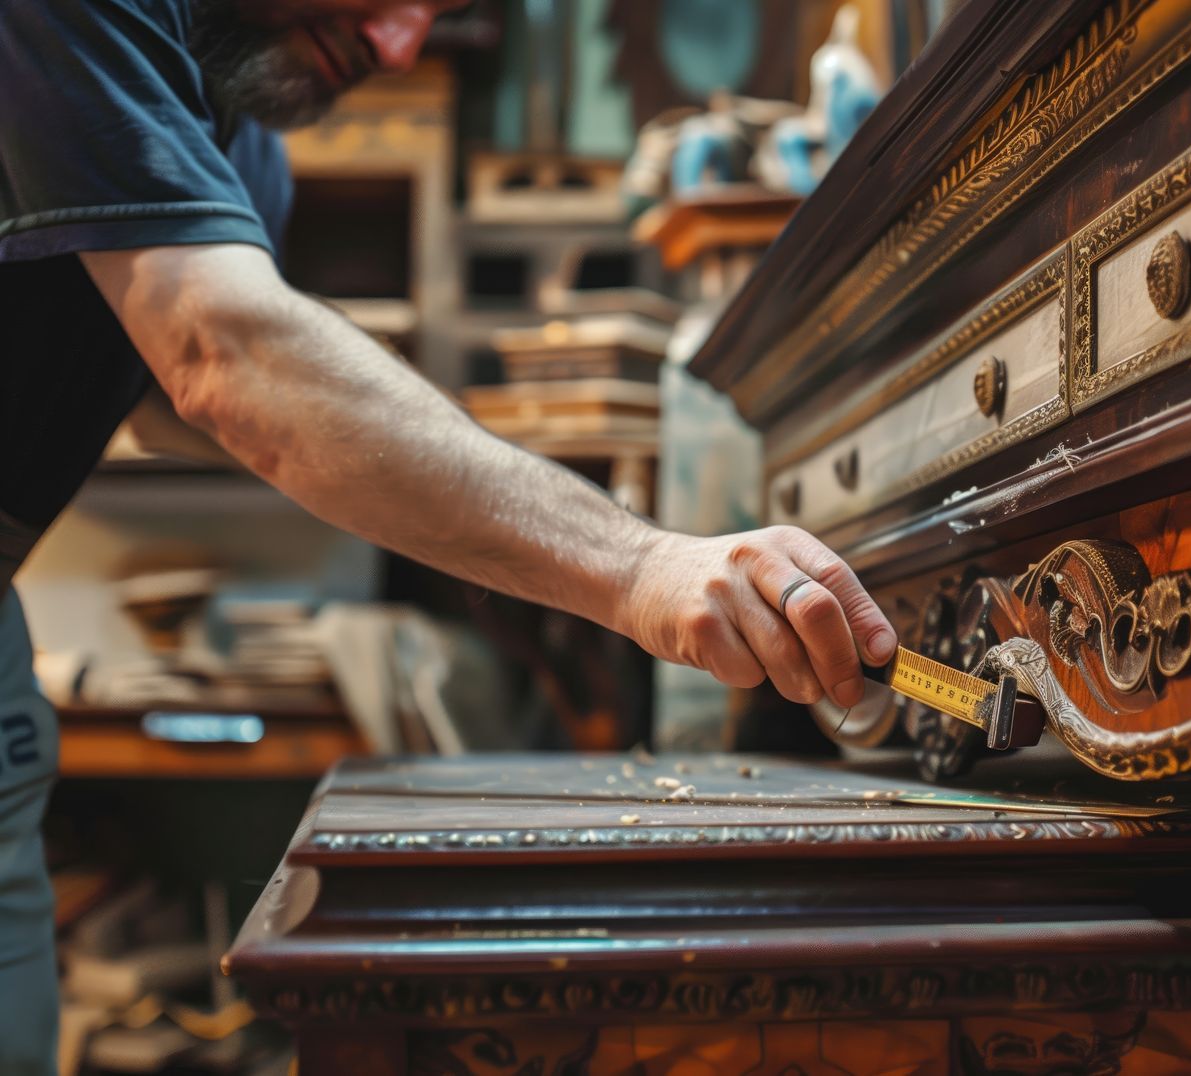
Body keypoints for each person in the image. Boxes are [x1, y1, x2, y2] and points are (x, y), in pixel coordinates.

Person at [0, 3, 897, 1068]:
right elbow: (220, 355)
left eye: (434, 15)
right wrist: (641, 562)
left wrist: (437, 466)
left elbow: (170, 386)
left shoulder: (242, 147)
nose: (395, 47)